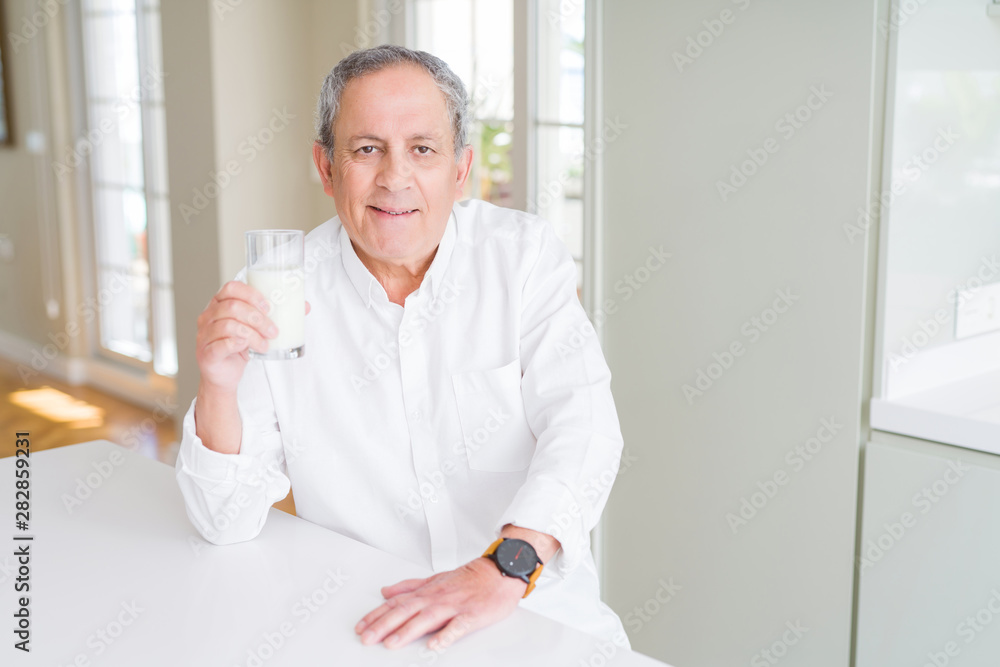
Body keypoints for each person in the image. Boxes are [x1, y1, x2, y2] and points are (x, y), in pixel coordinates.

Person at [175, 44, 627, 651]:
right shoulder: (279, 288)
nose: (394, 177)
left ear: (460, 168)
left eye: (422, 149)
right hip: (371, 627)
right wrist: (217, 385)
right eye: (367, 149)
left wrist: (504, 567)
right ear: (326, 167)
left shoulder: (522, 259)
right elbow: (222, 521)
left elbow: (585, 430)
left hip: (533, 613)